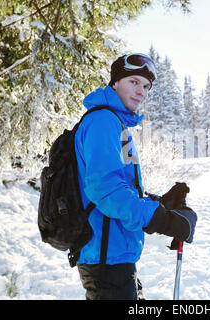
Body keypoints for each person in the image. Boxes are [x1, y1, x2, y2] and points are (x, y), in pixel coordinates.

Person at [74, 53, 197, 300]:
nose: (141, 90)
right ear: (115, 82)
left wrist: (160, 203)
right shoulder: (103, 121)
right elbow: (105, 190)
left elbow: (123, 187)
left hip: (114, 254)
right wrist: (161, 220)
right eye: (134, 81)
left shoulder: (117, 125)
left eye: (146, 86)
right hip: (106, 260)